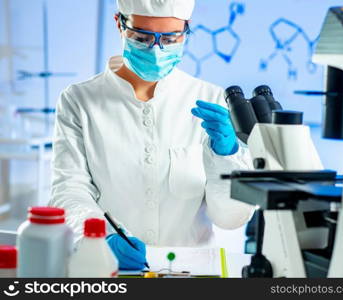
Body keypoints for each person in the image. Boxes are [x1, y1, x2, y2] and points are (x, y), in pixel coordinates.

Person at [49, 0, 254, 270]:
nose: (156, 50)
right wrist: (101, 238)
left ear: (186, 31)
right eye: (142, 37)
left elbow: (231, 218)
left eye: (170, 38)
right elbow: (69, 190)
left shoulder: (211, 100)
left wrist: (227, 157)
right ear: (119, 24)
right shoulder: (80, 100)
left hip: (191, 271)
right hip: (110, 266)